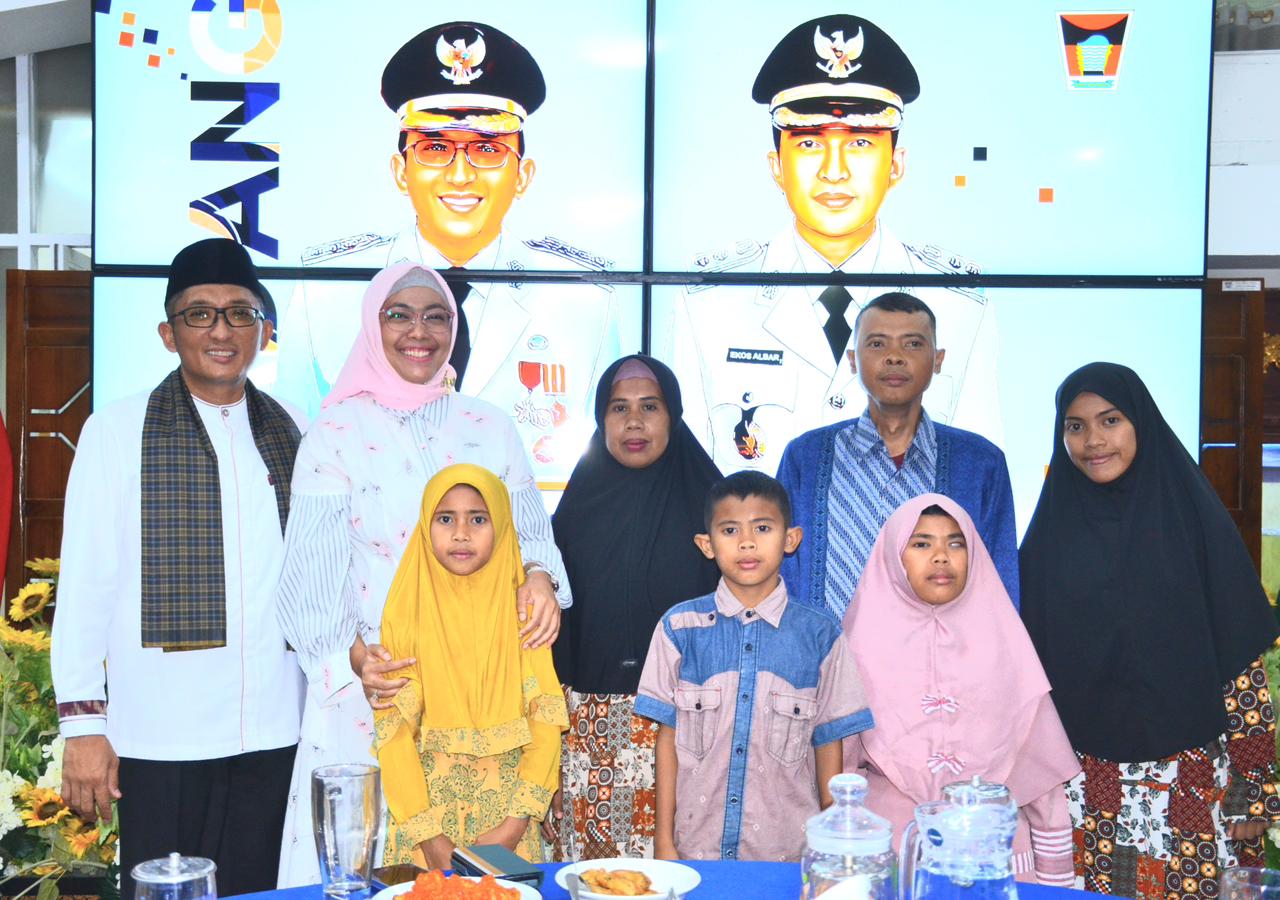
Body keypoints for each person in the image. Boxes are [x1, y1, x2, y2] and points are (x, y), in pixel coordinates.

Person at [273, 262, 570, 887]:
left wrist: (540, 576)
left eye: (436, 317)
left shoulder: (489, 425)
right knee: (367, 865)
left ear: (453, 330)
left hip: (481, 686)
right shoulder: (335, 432)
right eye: (399, 315)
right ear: (372, 324)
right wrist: (356, 660)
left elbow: (530, 537)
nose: (419, 331)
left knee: (479, 871)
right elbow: (309, 573)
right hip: (379, 681)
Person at [51, 239, 305, 897]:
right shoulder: (117, 431)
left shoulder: (294, 429)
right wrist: (84, 725)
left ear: (264, 330)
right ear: (169, 333)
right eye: (199, 314)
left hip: (276, 726)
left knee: (261, 891)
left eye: (240, 313)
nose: (221, 331)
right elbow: (84, 588)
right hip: (162, 733)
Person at [277, 20, 621, 490]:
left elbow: (602, 475)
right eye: (436, 148)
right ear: (401, 171)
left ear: (523, 175)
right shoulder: (325, 291)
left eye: (487, 149)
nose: (460, 175)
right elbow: (297, 455)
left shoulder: (585, 301)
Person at [669, 13, 1000, 477]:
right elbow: (689, 486)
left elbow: (980, 482)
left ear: (897, 164)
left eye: (861, 142)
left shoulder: (959, 307)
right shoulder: (710, 305)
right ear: (776, 166)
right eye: (809, 144)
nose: (834, 171)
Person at [1020, 362, 1280, 899]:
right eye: (1075, 426)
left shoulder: (1194, 523)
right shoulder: (1048, 540)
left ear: (1141, 422)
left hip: (1191, 781)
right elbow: (1025, 679)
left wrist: (1253, 790)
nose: (1093, 440)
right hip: (1084, 788)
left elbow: (1241, 662)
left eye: (1110, 420)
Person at [635, 472, 873, 862]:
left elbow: (828, 741)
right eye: (730, 530)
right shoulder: (679, 628)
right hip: (697, 849)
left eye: (763, 528)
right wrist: (664, 841)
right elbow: (667, 739)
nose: (747, 542)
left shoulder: (820, 634)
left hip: (787, 853)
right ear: (707, 544)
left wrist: (831, 847)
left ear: (791, 539)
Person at [842, 493, 1079, 886]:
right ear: (892, 557)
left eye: (956, 543)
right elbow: (840, 777)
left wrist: (1058, 888)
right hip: (891, 857)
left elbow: (1045, 785)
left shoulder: (1007, 646)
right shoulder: (858, 648)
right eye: (921, 544)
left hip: (994, 859)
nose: (941, 557)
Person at [546, 355, 722, 860]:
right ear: (601, 419)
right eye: (619, 408)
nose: (634, 422)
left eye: (650, 406)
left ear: (674, 415)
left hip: (692, 727)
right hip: (589, 733)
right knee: (598, 880)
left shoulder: (717, 509)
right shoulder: (574, 512)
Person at [778, 292, 1016, 621]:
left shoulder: (980, 463)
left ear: (938, 360)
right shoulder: (806, 457)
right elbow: (780, 574)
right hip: (826, 651)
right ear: (852, 360)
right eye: (877, 344)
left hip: (942, 653)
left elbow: (999, 587)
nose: (894, 357)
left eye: (913, 344)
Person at [375, 464, 568, 868]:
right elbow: (394, 732)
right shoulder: (406, 612)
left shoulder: (524, 612)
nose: (461, 533)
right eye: (445, 519)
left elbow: (545, 720)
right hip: (425, 821)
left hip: (509, 821)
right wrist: (429, 836)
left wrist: (516, 822)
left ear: (502, 525)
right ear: (425, 526)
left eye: (478, 519)